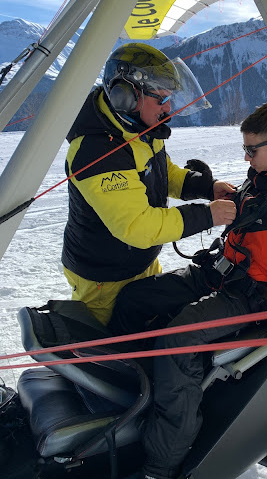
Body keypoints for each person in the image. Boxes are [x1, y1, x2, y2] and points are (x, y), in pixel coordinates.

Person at [107, 102, 267, 479]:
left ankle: (160, 469)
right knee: (134, 299)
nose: (245, 157)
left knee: (178, 340)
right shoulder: (263, 177)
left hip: (252, 296)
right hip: (218, 272)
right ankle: (131, 398)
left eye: (251, 150)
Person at [62, 42, 236, 325]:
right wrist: (207, 215)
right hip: (103, 279)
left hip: (140, 262)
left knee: (150, 323)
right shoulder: (96, 151)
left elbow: (162, 172)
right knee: (112, 352)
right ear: (126, 96)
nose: (168, 108)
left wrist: (207, 187)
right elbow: (137, 226)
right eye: (161, 99)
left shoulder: (136, 127)